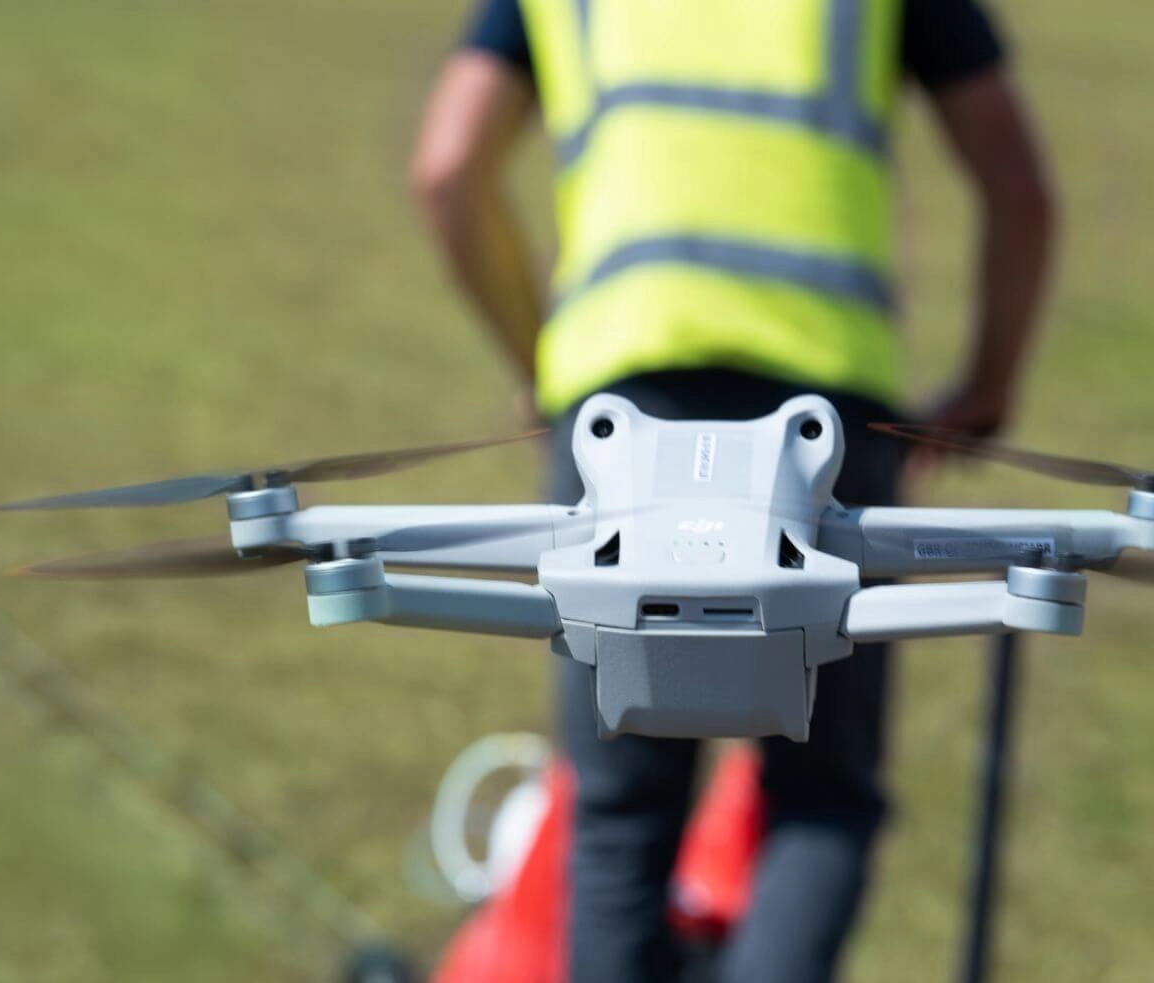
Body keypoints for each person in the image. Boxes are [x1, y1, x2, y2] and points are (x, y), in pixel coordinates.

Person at [411, 1, 1056, 979]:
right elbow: (1018, 187)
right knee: (819, 795)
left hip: (623, 407)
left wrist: (547, 366)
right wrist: (986, 382)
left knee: (620, 802)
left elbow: (449, 167)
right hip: (825, 416)